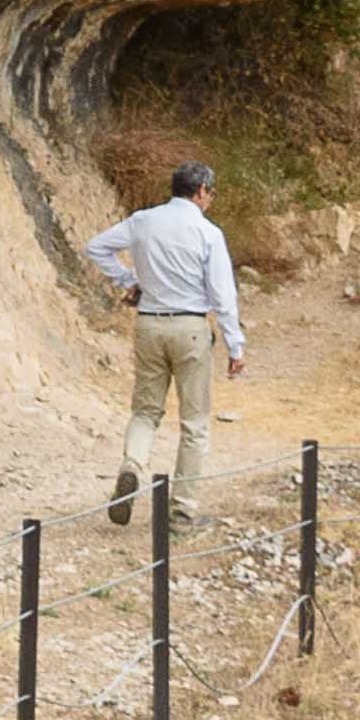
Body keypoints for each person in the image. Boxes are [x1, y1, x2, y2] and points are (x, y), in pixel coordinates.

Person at [83, 162, 244, 523]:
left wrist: (129, 280)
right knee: (194, 423)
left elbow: (96, 248)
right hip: (190, 328)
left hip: (149, 325)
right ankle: (182, 510)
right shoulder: (208, 232)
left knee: (145, 411)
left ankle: (131, 466)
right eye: (210, 193)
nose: (210, 200)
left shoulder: (143, 221)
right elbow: (222, 295)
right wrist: (236, 346)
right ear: (200, 190)